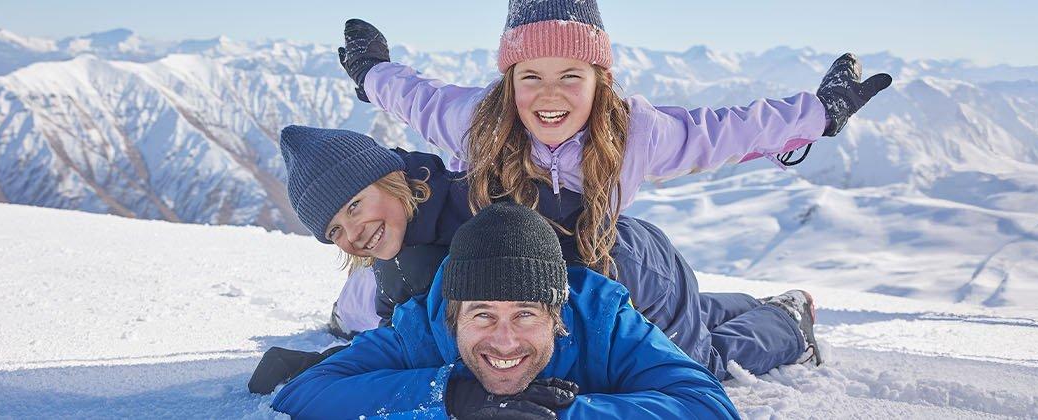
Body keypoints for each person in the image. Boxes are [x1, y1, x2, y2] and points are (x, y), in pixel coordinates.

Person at [337, 0, 892, 276]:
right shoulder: (478, 122)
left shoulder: (633, 133)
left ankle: (778, 320)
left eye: (570, 76)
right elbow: (417, 96)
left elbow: (728, 129)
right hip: (503, 274)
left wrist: (820, 113)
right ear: (509, 83)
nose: (548, 95)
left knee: (682, 336)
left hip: (591, 270)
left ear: (599, 82)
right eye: (530, 77)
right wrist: (370, 72)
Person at [248, 126, 817, 394]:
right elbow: (412, 328)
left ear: (389, 178)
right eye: (334, 230)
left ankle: (789, 321)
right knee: (679, 319)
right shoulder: (399, 244)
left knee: (699, 361)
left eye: (354, 206)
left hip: (628, 271)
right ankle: (742, 303)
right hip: (608, 282)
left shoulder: (486, 202)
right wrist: (330, 359)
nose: (352, 233)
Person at [271, 202, 741, 419]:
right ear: (452, 317)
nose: (504, 341)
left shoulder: (603, 319)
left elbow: (709, 406)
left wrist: (559, 414)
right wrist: (450, 396)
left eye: (525, 314)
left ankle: (777, 315)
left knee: (722, 349)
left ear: (557, 316)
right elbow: (303, 392)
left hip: (655, 271)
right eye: (482, 315)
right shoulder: (420, 331)